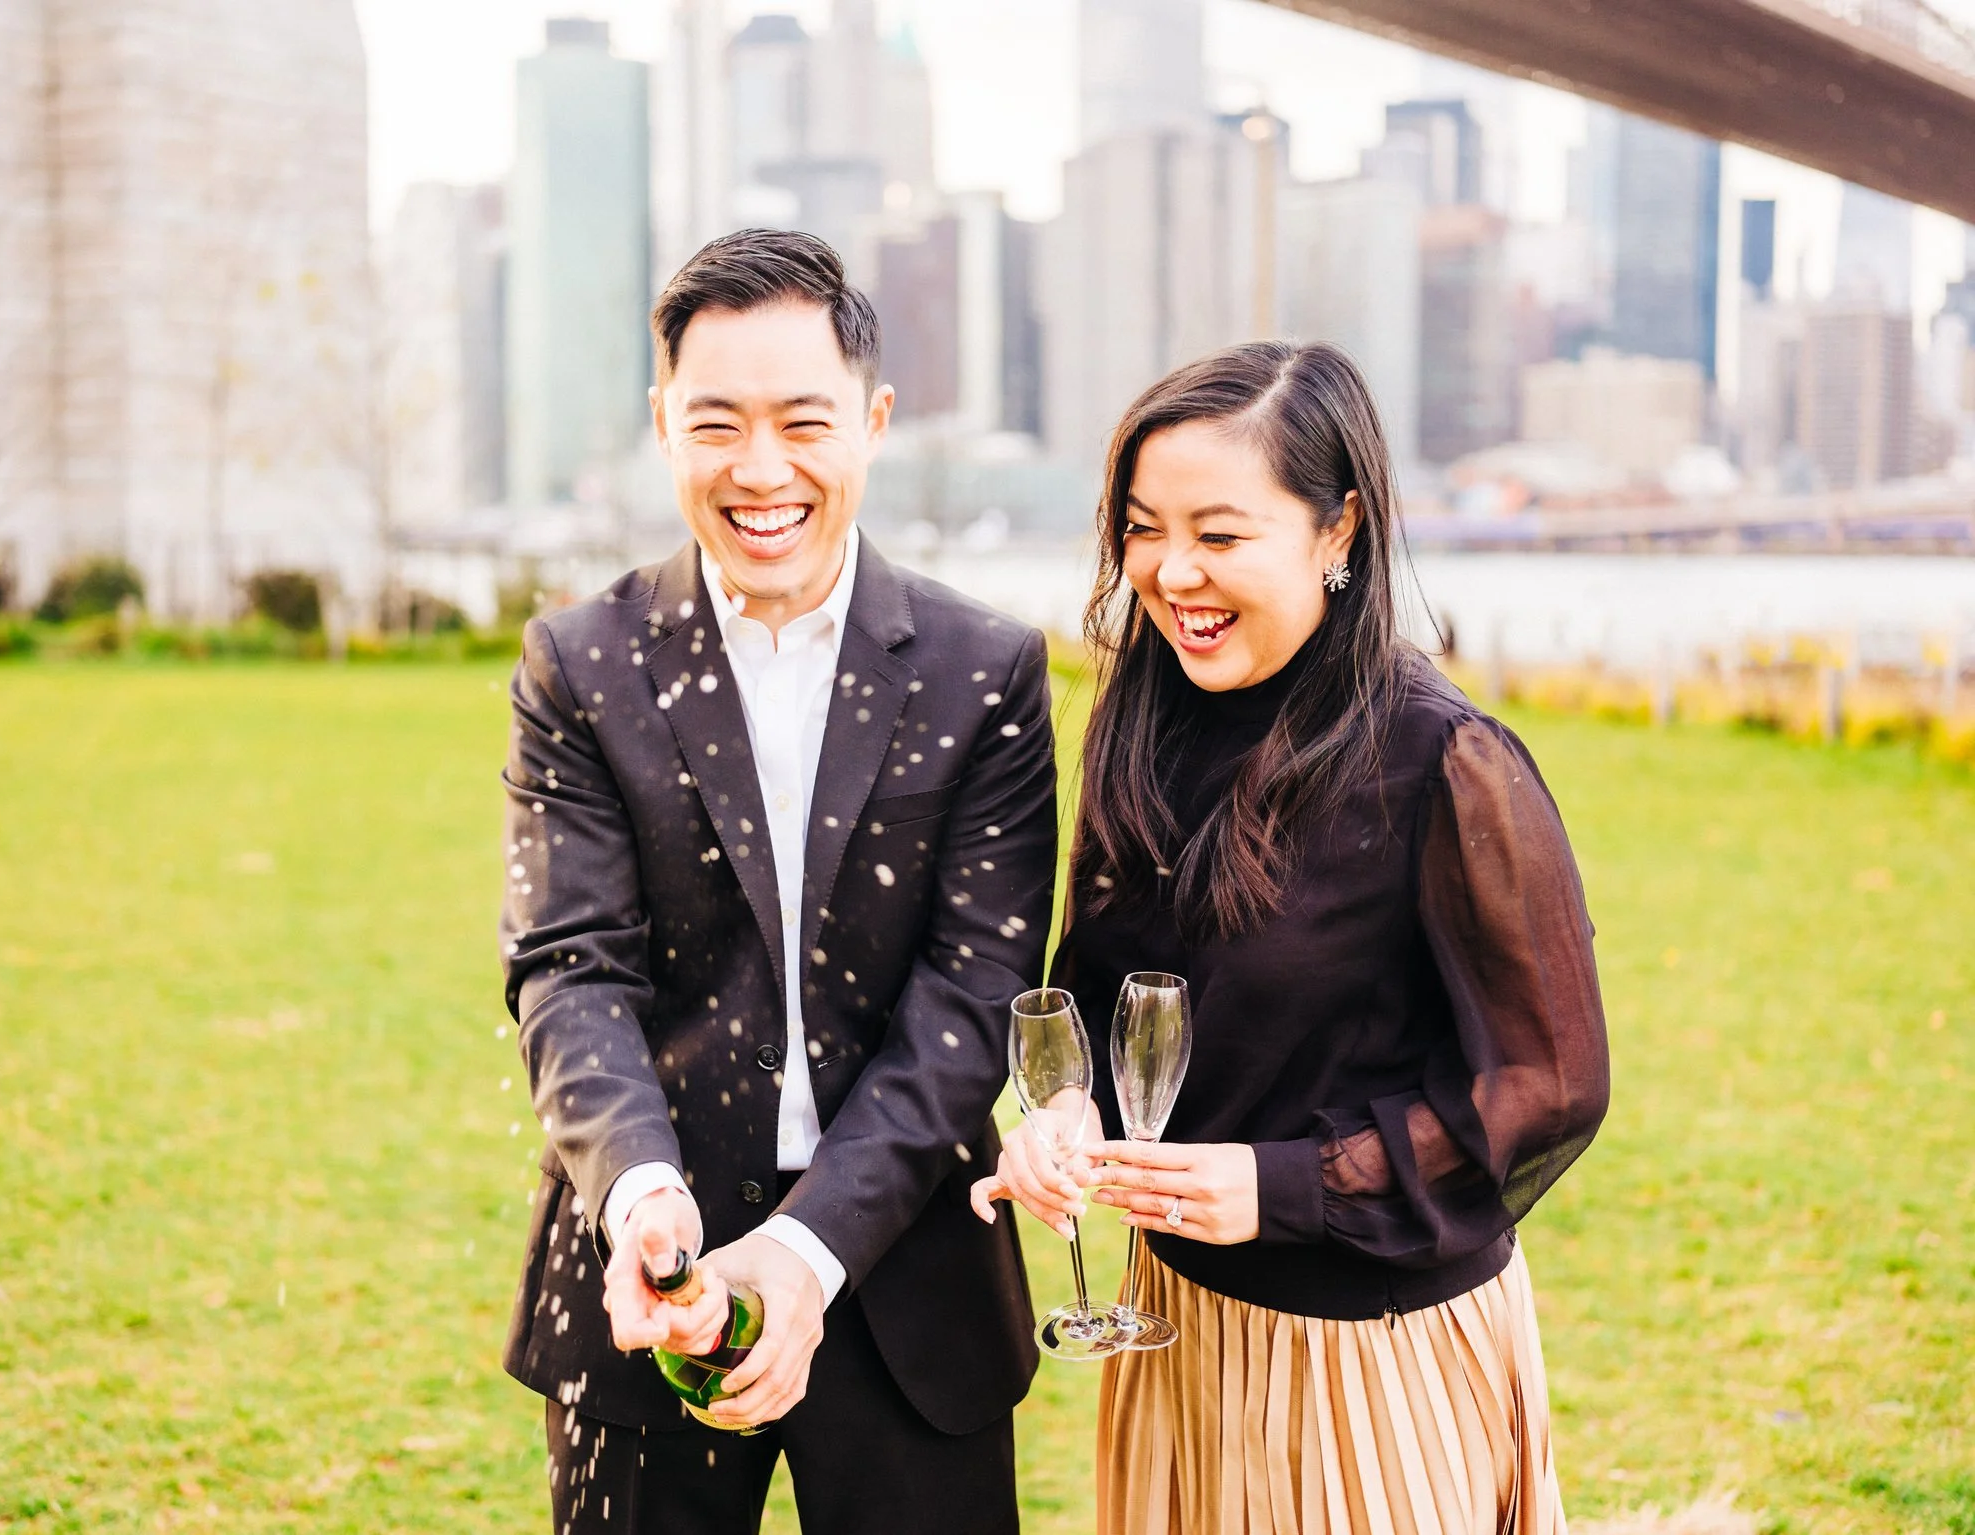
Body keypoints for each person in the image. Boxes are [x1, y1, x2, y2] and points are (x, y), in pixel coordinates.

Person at [975, 341, 1610, 1535]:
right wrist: (1065, 1117)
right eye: (1143, 527)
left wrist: (1277, 1184)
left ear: (1338, 532)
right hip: (1175, 1325)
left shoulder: (1442, 760)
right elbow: (1114, 990)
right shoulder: (1144, 711)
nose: (1171, 573)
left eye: (1218, 534)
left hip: (1369, 1357)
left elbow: (1547, 1085)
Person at [500, 229, 1055, 1535]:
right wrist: (641, 1191)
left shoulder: (985, 670)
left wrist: (803, 1258)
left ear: (872, 419)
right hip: (651, 1282)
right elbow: (568, 966)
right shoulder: (579, 664)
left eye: (804, 421)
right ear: (662, 425)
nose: (762, 470)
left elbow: (972, 1002)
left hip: (911, 1274)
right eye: (716, 424)